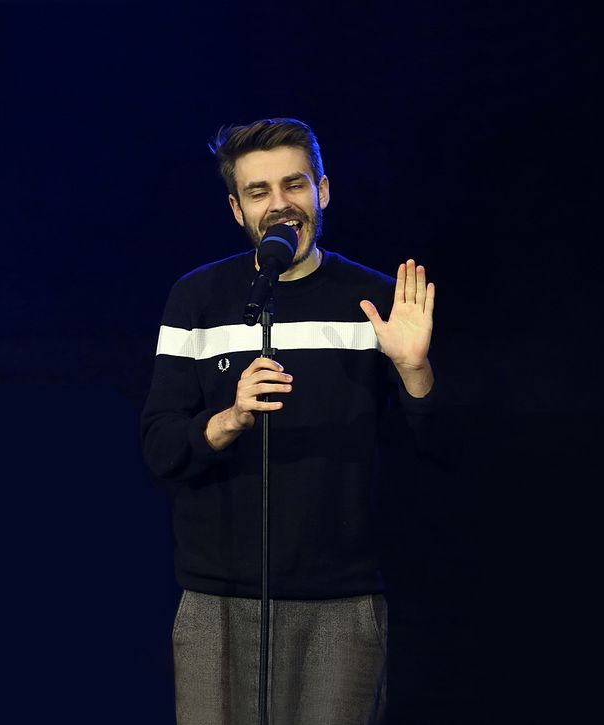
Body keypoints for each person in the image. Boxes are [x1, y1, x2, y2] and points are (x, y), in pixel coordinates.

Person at [140, 117, 438, 725]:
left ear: (322, 191)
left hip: (341, 597)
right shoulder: (196, 299)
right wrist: (228, 419)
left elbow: (440, 452)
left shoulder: (377, 301)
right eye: (259, 192)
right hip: (218, 597)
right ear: (237, 209)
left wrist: (414, 369)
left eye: (294, 185)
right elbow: (159, 447)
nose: (280, 205)